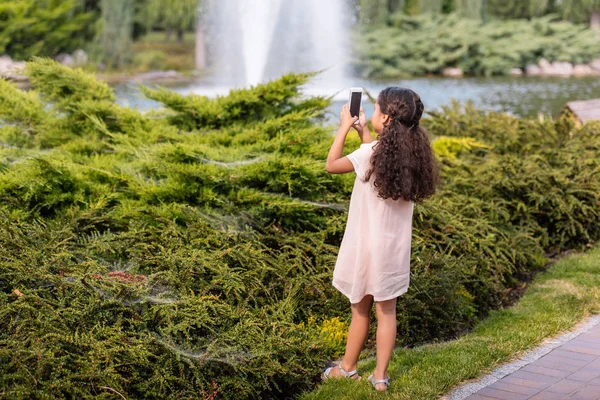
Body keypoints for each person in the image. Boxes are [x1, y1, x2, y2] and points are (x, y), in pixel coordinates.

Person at [322, 87, 439, 391]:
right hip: (393, 249)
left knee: (359, 308)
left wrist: (344, 128)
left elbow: (332, 165)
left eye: (374, 110)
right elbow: (376, 160)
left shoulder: (369, 154)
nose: (371, 114)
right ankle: (381, 377)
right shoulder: (411, 157)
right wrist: (363, 135)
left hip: (365, 246)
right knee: (387, 311)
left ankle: (347, 369)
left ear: (385, 117)